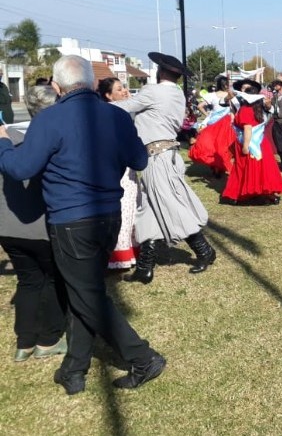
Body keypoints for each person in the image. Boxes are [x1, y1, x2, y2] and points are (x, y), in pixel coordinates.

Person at [0, 55, 164, 394]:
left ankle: (142, 357)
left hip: (71, 220)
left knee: (87, 294)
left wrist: (2, 143)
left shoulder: (51, 119)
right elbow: (138, 158)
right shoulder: (117, 116)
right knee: (83, 291)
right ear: (91, 83)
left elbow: (20, 168)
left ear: (57, 87)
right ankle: (74, 368)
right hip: (108, 215)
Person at [115, 52, 215, 284]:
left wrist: (98, 103)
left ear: (160, 71)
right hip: (164, 154)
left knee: (171, 206)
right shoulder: (177, 93)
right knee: (148, 210)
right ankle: (145, 267)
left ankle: (204, 250)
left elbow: (124, 107)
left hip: (157, 157)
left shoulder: (153, 92)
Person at [0, 85, 67, 363]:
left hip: (7, 226)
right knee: (52, 280)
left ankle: (24, 342)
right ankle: (49, 339)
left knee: (28, 281)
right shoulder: (53, 139)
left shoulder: (8, 137)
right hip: (40, 225)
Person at [97, 77, 140, 270]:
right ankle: (119, 253)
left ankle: (130, 248)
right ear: (108, 95)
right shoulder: (112, 113)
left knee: (132, 207)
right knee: (124, 206)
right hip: (119, 165)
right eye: (119, 89)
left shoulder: (122, 110)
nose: (124, 91)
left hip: (127, 165)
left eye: (124, 88)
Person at [221, 81, 282, 205]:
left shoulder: (246, 110)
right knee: (262, 170)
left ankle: (245, 193)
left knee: (246, 170)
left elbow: (248, 128)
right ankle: (267, 194)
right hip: (261, 143)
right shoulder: (259, 109)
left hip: (250, 143)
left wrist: (245, 146)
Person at [190, 75, 236, 177]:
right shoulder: (232, 95)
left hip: (214, 122)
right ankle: (222, 165)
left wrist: (208, 115)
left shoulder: (211, 95)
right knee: (225, 146)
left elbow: (199, 106)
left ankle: (216, 167)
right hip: (227, 123)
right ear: (227, 84)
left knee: (213, 145)